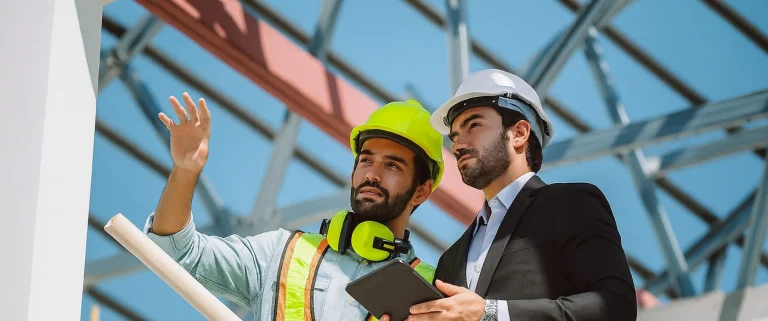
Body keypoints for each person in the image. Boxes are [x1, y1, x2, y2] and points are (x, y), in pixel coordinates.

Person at [142, 93, 446, 321]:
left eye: (392, 165)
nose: (372, 174)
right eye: (366, 159)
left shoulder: (435, 289)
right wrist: (185, 171)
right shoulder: (283, 252)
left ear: (421, 190)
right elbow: (175, 253)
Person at [405, 69, 637, 321]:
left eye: (473, 125)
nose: (458, 145)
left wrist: (490, 314)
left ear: (519, 133)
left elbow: (616, 306)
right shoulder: (450, 259)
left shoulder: (570, 204)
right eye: (455, 136)